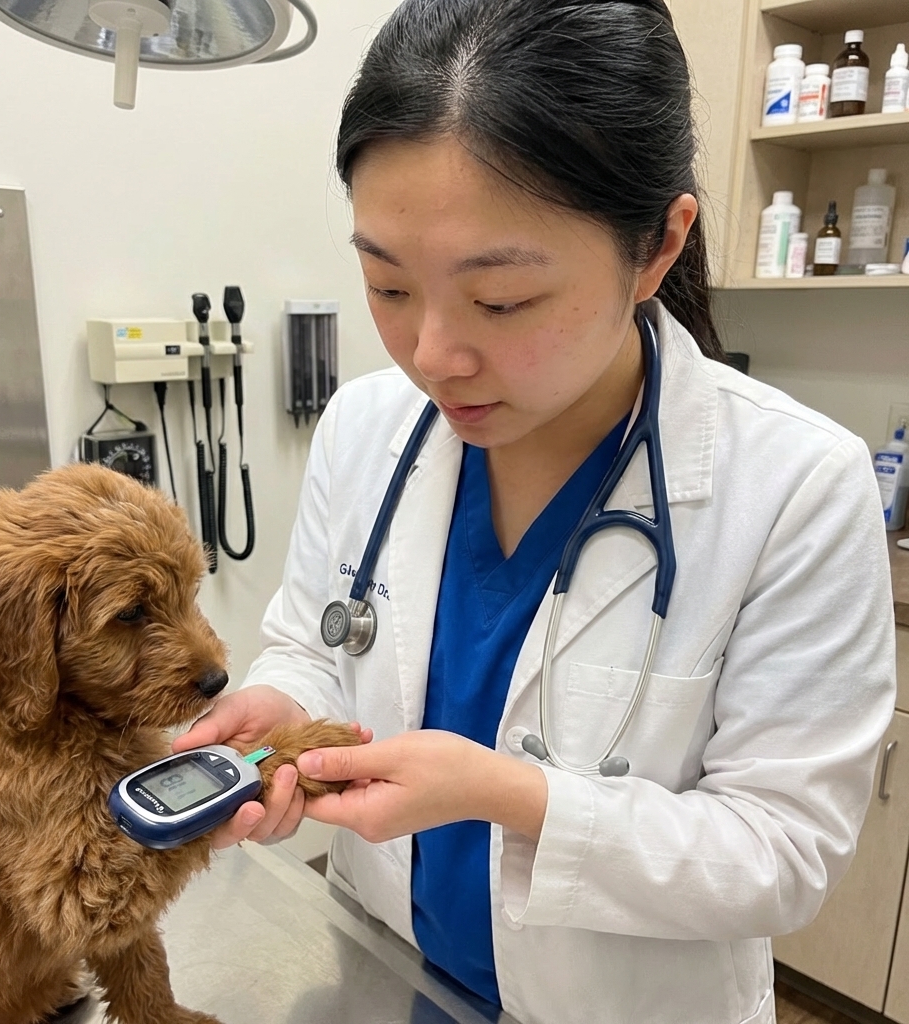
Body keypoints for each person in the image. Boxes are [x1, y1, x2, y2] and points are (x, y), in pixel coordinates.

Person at [174, 2, 896, 1020]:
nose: (431, 356)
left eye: (500, 300)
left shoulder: (794, 484)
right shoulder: (366, 427)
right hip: (386, 979)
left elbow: (780, 854)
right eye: (385, 283)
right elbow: (310, 642)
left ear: (656, 247)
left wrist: (503, 794)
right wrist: (285, 709)